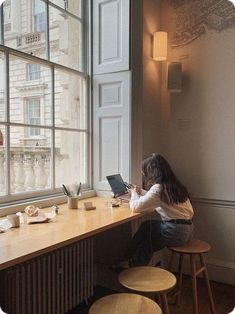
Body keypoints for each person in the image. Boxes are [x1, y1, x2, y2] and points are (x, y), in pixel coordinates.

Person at [124, 153, 194, 267]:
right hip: (187, 231)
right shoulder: (174, 185)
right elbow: (158, 198)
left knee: (147, 240)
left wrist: (133, 193)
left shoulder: (158, 188)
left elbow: (136, 207)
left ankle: (129, 262)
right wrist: (140, 191)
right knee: (147, 228)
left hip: (174, 232)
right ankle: (131, 261)